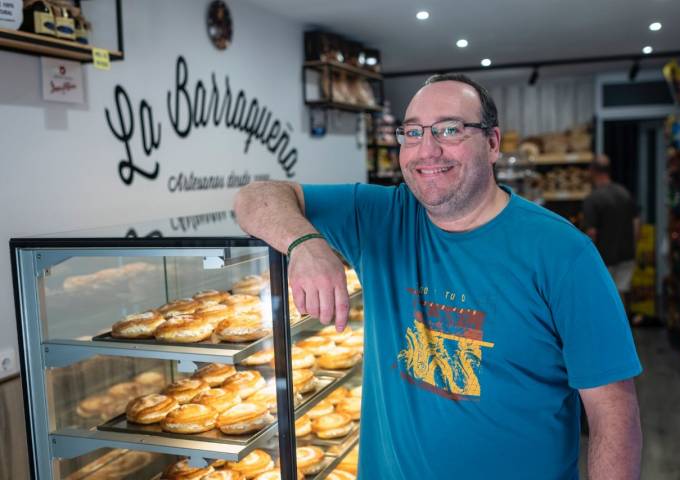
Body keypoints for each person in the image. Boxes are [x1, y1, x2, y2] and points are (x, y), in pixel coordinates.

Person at [234, 74, 642, 479]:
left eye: (450, 129)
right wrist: (305, 243)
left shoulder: (563, 253)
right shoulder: (380, 217)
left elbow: (615, 421)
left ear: (493, 143)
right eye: (412, 133)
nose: (426, 150)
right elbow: (254, 197)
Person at [583, 155, 640, 311]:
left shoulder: (593, 199)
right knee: (621, 294)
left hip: (604, 258)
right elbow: (636, 223)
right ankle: (623, 332)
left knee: (602, 299)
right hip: (627, 254)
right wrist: (633, 246)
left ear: (592, 171)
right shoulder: (624, 193)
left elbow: (591, 233)